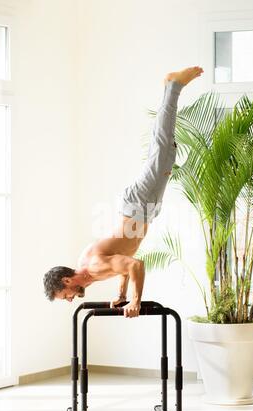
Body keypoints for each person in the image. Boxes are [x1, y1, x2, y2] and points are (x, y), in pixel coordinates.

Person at [43, 66, 204, 317]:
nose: (70, 299)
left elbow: (135, 264)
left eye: (66, 296)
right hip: (142, 208)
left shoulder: (93, 266)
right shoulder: (88, 273)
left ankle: (173, 86)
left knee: (162, 147)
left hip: (138, 205)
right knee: (165, 151)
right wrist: (121, 295)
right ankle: (171, 88)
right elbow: (121, 264)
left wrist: (135, 301)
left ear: (66, 282)